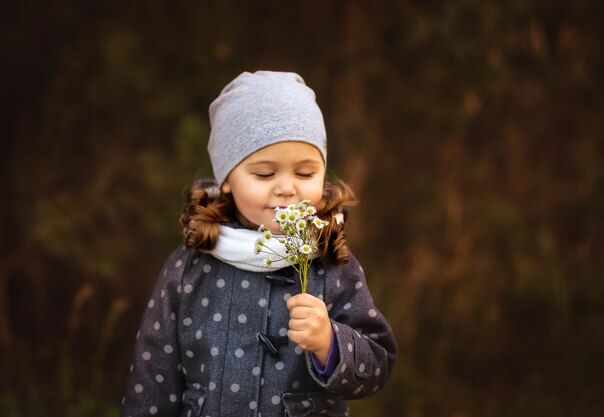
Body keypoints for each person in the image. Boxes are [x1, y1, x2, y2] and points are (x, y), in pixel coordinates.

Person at [120, 71, 397, 417]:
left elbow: (378, 365)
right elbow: (152, 376)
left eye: (305, 173)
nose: (286, 188)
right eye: (265, 174)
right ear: (227, 181)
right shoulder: (189, 266)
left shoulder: (331, 263)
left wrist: (330, 344)